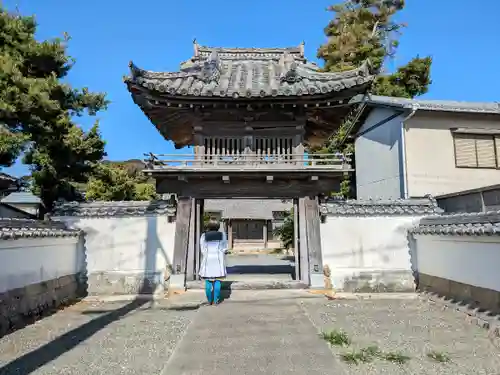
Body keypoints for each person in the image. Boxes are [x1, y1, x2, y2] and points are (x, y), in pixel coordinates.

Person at [199, 218, 228, 305]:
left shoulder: (204, 236)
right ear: (218, 226)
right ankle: (216, 300)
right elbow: (224, 248)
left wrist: (207, 253)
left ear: (209, 226)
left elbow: (202, 249)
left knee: (208, 281)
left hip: (208, 259)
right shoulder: (222, 235)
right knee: (217, 280)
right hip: (218, 259)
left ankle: (209, 300)